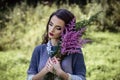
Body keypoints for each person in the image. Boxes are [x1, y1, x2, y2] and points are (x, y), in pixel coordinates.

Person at [27, 9, 86, 80]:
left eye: (58, 28)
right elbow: (29, 78)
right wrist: (45, 70)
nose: (52, 30)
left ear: (67, 30)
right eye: (51, 24)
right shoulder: (39, 50)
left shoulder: (75, 51)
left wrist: (61, 73)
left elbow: (82, 78)